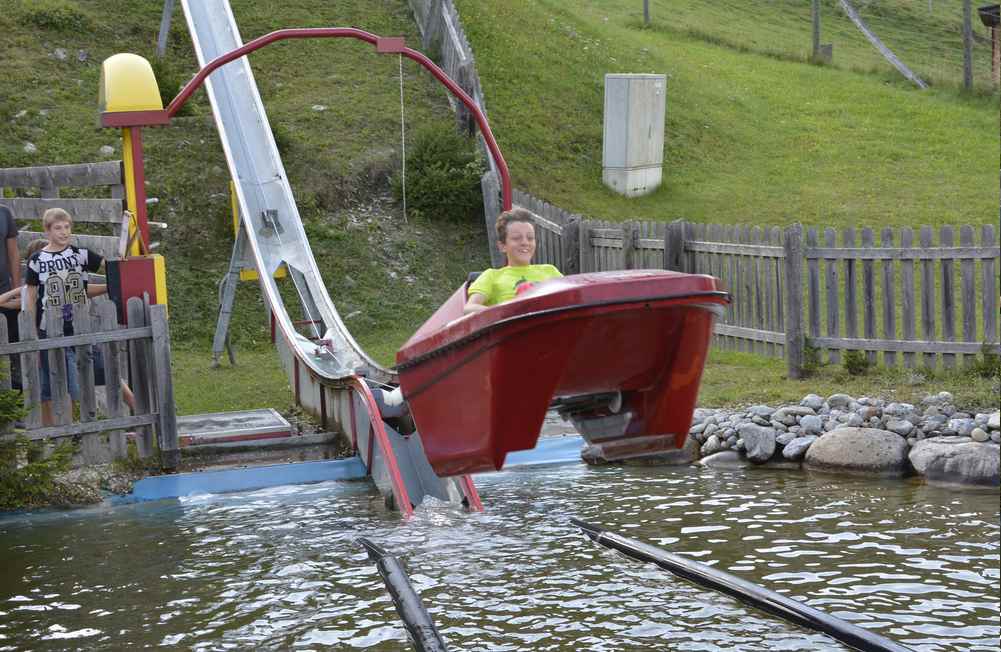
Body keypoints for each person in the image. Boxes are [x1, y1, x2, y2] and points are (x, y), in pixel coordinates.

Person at [24, 208, 108, 426]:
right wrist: (32, 331)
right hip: (49, 327)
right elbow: (31, 298)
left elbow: (111, 267)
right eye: (58, 228)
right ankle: (59, 429)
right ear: (48, 230)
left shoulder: (81, 254)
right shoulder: (37, 260)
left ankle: (77, 426)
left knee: (81, 379)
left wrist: (124, 268)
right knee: (50, 382)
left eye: (67, 227)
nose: (63, 232)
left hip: (79, 325)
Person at [464, 208, 562, 314]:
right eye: (516, 238)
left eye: (530, 238)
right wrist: (506, 312)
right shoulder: (492, 276)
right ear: (502, 246)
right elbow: (469, 308)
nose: (525, 242)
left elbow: (571, 297)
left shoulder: (550, 270)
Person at [0, 204, 21, 387]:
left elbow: (13, 253)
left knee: (12, 346)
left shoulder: (4, 212)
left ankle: (14, 402)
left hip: (5, 293)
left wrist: (15, 288)